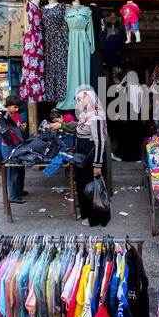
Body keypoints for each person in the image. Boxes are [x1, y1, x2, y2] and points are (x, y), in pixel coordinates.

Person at [50, 87, 111, 227]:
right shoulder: (86, 115)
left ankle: (94, 218)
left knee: (92, 188)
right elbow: (78, 128)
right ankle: (87, 214)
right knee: (85, 186)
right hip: (83, 154)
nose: (78, 104)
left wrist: (97, 165)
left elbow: (99, 142)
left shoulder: (95, 117)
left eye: (80, 101)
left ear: (87, 101)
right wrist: (62, 125)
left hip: (90, 157)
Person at [0, 95, 27, 203]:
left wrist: (21, 128)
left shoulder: (17, 115)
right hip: (8, 147)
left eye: (18, 108)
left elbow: (19, 131)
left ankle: (19, 191)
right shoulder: (1, 117)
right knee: (12, 170)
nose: (16, 110)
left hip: (18, 145)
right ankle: (12, 196)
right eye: (14, 107)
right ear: (8, 106)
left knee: (20, 169)